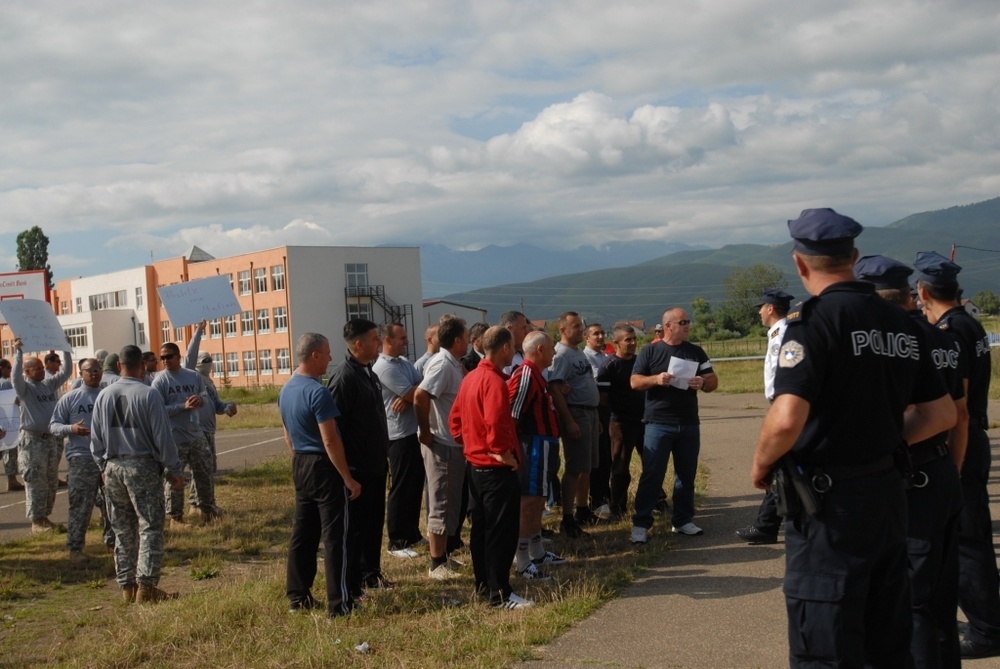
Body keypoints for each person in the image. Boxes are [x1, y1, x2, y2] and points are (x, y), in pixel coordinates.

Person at [749, 209, 955, 666]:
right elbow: (940, 414)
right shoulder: (901, 322)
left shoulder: (812, 323)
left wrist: (762, 463)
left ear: (800, 265)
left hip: (829, 506)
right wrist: (882, 435)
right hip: (888, 494)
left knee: (826, 640)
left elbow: (786, 419)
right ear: (855, 257)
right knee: (886, 636)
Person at [856, 255, 964, 667]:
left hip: (911, 475)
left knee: (911, 602)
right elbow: (961, 413)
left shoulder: (893, 340)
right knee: (942, 598)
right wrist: (951, 469)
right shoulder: (942, 337)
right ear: (909, 293)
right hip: (941, 470)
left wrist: (878, 446)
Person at [915, 250, 1000, 659]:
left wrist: (954, 459)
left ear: (923, 291)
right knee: (974, 536)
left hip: (962, 439)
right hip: (975, 434)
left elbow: (959, 406)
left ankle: (986, 630)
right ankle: (989, 619)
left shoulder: (950, 331)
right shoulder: (970, 323)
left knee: (966, 540)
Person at [91, 345, 184, 604]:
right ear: (142, 366)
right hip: (141, 465)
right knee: (151, 526)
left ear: (119, 365)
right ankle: (146, 586)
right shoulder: (148, 394)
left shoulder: (104, 395)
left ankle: (126, 586)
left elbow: (96, 438)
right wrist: (173, 469)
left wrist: (102, 466)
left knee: (122, 529)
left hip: (112, 467)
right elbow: (163, 437)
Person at [449, 326, 534, 609]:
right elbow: (497, 422)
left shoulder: (471, 377)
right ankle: (500, 593)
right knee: (501, 531)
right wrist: (501, 452)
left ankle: (484, 584)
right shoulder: (494, 382)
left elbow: (455, 421)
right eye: (513, 345)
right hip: (494, 469)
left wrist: (471, 443)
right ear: (505, 349)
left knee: (482, 529)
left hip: (475, 466)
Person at [280, 333, 361, 617]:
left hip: (301, 462)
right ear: (314, 355)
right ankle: (340, 604)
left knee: (303, 533)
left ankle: (297, 596)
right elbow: (330, 440)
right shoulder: (318, 392)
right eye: (326, 353)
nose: (330, 358)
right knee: (335, 537)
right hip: (323, 466)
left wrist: (299, 459)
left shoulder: (287, 388)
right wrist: (347, 478)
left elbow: (288, 434)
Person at [629, 308, 716, 543]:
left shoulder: (695, 351)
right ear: (668, 326)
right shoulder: (651, 351)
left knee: (686, 476)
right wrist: (656, 379)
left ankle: (683, 520)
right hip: (658, 423)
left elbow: (713, 380)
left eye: (689, 322)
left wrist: (703, 382)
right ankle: (641, 524)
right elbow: (635, 381)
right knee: (652, 475)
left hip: (688, 423)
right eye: (683, 322)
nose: (688, 326)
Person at [327, 319, 392, 594]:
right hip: (357, 468)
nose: (379, 343)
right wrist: (346, 471)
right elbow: (334, 427)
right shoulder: (344, 378)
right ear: (358, 344)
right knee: (356, 528)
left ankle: (371, 573)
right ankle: (353, 583)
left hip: (376, 464)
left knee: (374, 524)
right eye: (375, 338)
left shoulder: (370, 374)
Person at [735, 288, 794, 544]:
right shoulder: (779, 332)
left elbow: (784, 372)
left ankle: (767, 525)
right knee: (783, 466)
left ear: (770, 308)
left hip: (784, 405)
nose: (759, 312)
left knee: (779, 465)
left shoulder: (784, 334)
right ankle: (768, 524)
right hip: (780, 404)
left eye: (761, 307)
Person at [509, 330, 567, 581]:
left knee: (538, 500)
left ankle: (537, 550)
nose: (555, 352)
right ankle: (522, 561)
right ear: (540, 350)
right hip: (532, 445)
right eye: (552, 347)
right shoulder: (525, 374)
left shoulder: (538, 375)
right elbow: (512, 415)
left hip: (544, 444)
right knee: (529, 503)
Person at [414, 316, 468, 579]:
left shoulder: (454, 363)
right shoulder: (442, 364)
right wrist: (425, 431)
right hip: (441, 444)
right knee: (441, 501)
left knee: (451, 502)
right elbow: (420, 395)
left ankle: (444, 557)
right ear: (457, 340)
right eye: (466, 337)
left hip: (453, 443)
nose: (469, 341)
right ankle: (436, 563)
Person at [50, 358, 115, 562]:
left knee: (112, 503)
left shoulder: (109, 395)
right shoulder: (70, 399)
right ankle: (75, 548)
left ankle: (112, 543)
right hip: (82, 459)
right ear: (81, 373)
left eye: (97, 370)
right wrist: (72, 429)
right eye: (90, 370)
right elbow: (54, 426)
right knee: (81, 505)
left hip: (108, 458)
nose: (94, 373)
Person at [372, 322, 425, 558]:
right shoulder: (383, 367)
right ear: (387, 340)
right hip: (397, 434)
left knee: (415, 484)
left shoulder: (404, 363)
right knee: (401, 486)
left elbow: (424, 385)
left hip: (412, 431)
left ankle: (412, 532)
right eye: (401, 338)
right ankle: (397, 540)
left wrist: (410, 395)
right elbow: (417, 392)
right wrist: (410, 394)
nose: (406, 341)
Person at [151, 342, 216, 525]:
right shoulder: (160, 381)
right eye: (162, 358)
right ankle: (176, 517)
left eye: (169, 356)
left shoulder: (192, 376)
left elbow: (204, 396)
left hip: (195, 434)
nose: (165, 361)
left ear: (178, 357)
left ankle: (207, 510)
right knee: (174, 478)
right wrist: (182, 406)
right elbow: (158, 410)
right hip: (174, 438)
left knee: (204, 473)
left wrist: (199, 400)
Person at [548, 312, 600, 538]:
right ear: (563, 330)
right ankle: (567, 518)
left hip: (590, 413)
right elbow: (555, 389)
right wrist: (569, 420)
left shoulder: (577, 352)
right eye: (576, 326)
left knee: (586, 466)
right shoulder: (560, 355)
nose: (581, 329)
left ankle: (582, 509)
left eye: (581, 326)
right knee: (575, 467)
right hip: (576, 413)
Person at [12, 338, 72, 533]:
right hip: (33, 440)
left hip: (50, 440)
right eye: (36, 368)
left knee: (51, 480)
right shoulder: (25, 388)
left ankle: (45, 517)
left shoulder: (47, 385)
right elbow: (15, 378)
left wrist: (66, 350)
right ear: (27, 372)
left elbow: (66, 372)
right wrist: (18, 353)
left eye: (40, 367)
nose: (40, 370)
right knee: (36, 480)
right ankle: (37, 520)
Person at [597, 325, 646, 519]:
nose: (633, 343)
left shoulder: (640, 362)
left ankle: (655, 500)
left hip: (644, 421)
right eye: (628, 339)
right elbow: (603, 397)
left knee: (651, 464)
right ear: (616, 342)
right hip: (620, 423)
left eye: (634, 338)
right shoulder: (609, 366)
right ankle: (617, 506)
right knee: (620, 468)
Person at [583, 323, 612, 519]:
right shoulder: (585, 358)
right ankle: (596, 499)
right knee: (598, 457)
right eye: (596, 334)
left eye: (602, 333)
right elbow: (598, 382)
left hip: (609, 410)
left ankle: (606, 495)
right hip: (596, 410)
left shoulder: (606, 357)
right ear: (587, 338)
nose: (600, 337)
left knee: (608, 456)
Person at [1, 357, 25, 492]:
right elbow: (8, 404)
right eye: (8, 368)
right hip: (5, 423)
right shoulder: (5, 384)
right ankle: (11, 479)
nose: (10, 371)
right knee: (9, 451)